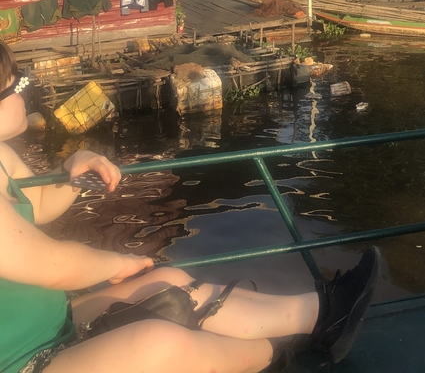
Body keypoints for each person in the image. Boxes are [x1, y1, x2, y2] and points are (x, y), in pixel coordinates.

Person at [0, 40, 379, 373]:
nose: (23, 92)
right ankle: (275, 351)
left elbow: (37, 204)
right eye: (15, 85)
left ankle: (322, 313)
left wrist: (72, 170)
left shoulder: (2, 156)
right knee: (160, 344)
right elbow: (49, 265)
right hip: (23, 361)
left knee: (172, 281)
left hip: (52, 323)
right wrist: (118, 264)